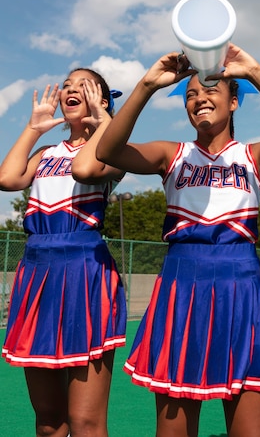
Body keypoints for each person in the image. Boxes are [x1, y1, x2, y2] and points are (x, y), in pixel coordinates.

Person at [95, 43, 260, 437]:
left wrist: (255, 74)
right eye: (190, 95)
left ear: (234, 102)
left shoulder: (255, 155)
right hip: (181, 288)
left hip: (242, 289)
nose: (199, 98)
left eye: (211, 89)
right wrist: (146, 85)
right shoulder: (171, 154)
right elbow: (108, 149)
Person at [0, 69, 127, 437]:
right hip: (38, 272)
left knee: (86, 422)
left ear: (103, 101)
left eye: (82, 87)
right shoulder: (45, 152)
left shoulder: (111, 149)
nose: (71, 91)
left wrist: (105, 123)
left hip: (84, 269)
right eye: (66, 87)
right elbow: (7, 179)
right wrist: (35, 127)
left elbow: (88, 170)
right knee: (49, 421)